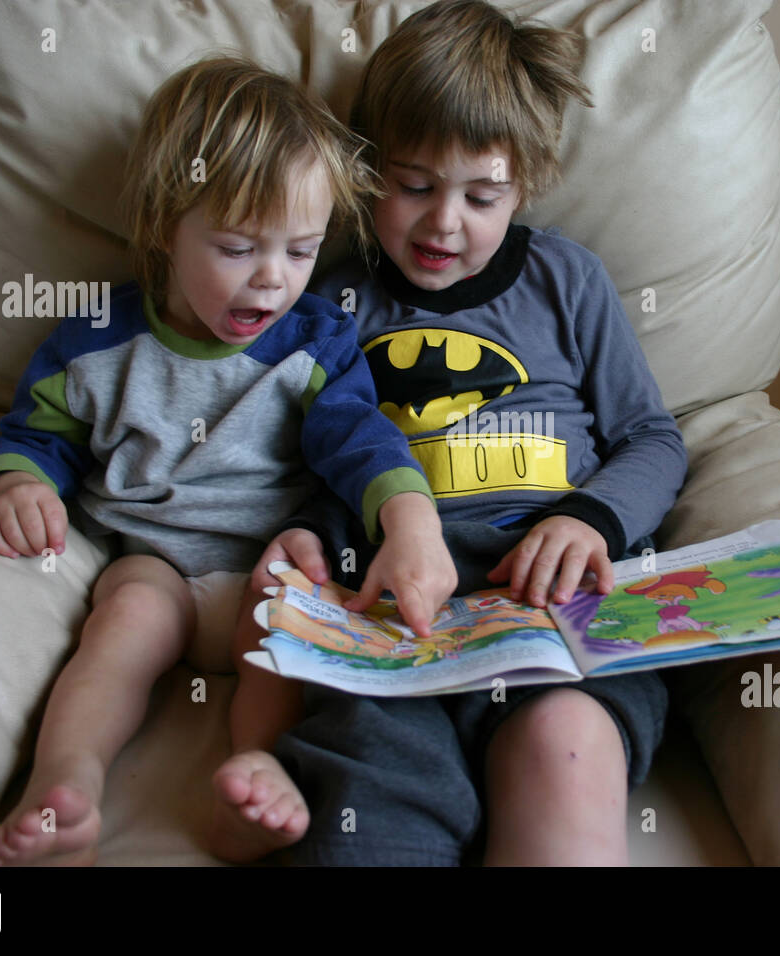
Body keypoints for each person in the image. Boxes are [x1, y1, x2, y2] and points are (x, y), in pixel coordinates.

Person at [0, 56, 456, 866]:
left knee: (283, 627)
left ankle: (255, 767)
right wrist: (19, 478)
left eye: (300, 251)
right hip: (149, 559)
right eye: (236, 247)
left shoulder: (315, 340)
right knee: (122, 627)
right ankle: (65, 786)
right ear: (164, 226)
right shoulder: (96, 340)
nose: (272, 280)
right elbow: (38, 433)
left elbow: (361, 439)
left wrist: (408, 517)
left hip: (266, 564)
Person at [246, 0, 689, 865]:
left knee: (567, 745)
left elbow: (653, 439)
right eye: (412, 187)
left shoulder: (566, 279)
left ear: (524, 183)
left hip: (552, 605)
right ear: (366, 172)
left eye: (482, 195)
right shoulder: (331, 298)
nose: (445, 222)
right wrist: (298, 538)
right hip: (391, 614)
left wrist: (590, 519)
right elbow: (301, 456)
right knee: (371, 789)